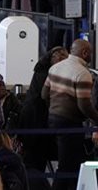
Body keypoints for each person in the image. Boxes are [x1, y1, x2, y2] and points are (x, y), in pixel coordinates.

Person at [42, 39, 98, 190]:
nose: (91, 56)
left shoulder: (55, 68)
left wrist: (54, 107)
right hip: (70, 123)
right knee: (68, 166)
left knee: (68, 162)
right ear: (84, 52)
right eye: (90, 52)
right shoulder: (82, 73)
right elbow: (84, 105)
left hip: (52, 120)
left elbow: (44, 94)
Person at [18, 47, 68, 175]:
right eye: (61, 58)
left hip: (34, 118)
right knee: (35, 155)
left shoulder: (41, 70)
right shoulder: (46, 74)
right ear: (53, 58)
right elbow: (46, 96)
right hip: (36, 119)